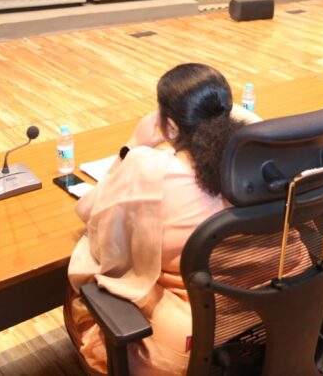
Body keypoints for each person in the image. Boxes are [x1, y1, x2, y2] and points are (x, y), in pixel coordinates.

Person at [64, 63, 244, 375]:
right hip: (263, 321)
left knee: (84, 278)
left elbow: (89, 210)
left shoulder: (151, 168)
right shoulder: (253, 161)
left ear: (171, 127)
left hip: (189, 342)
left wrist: (132, 146)